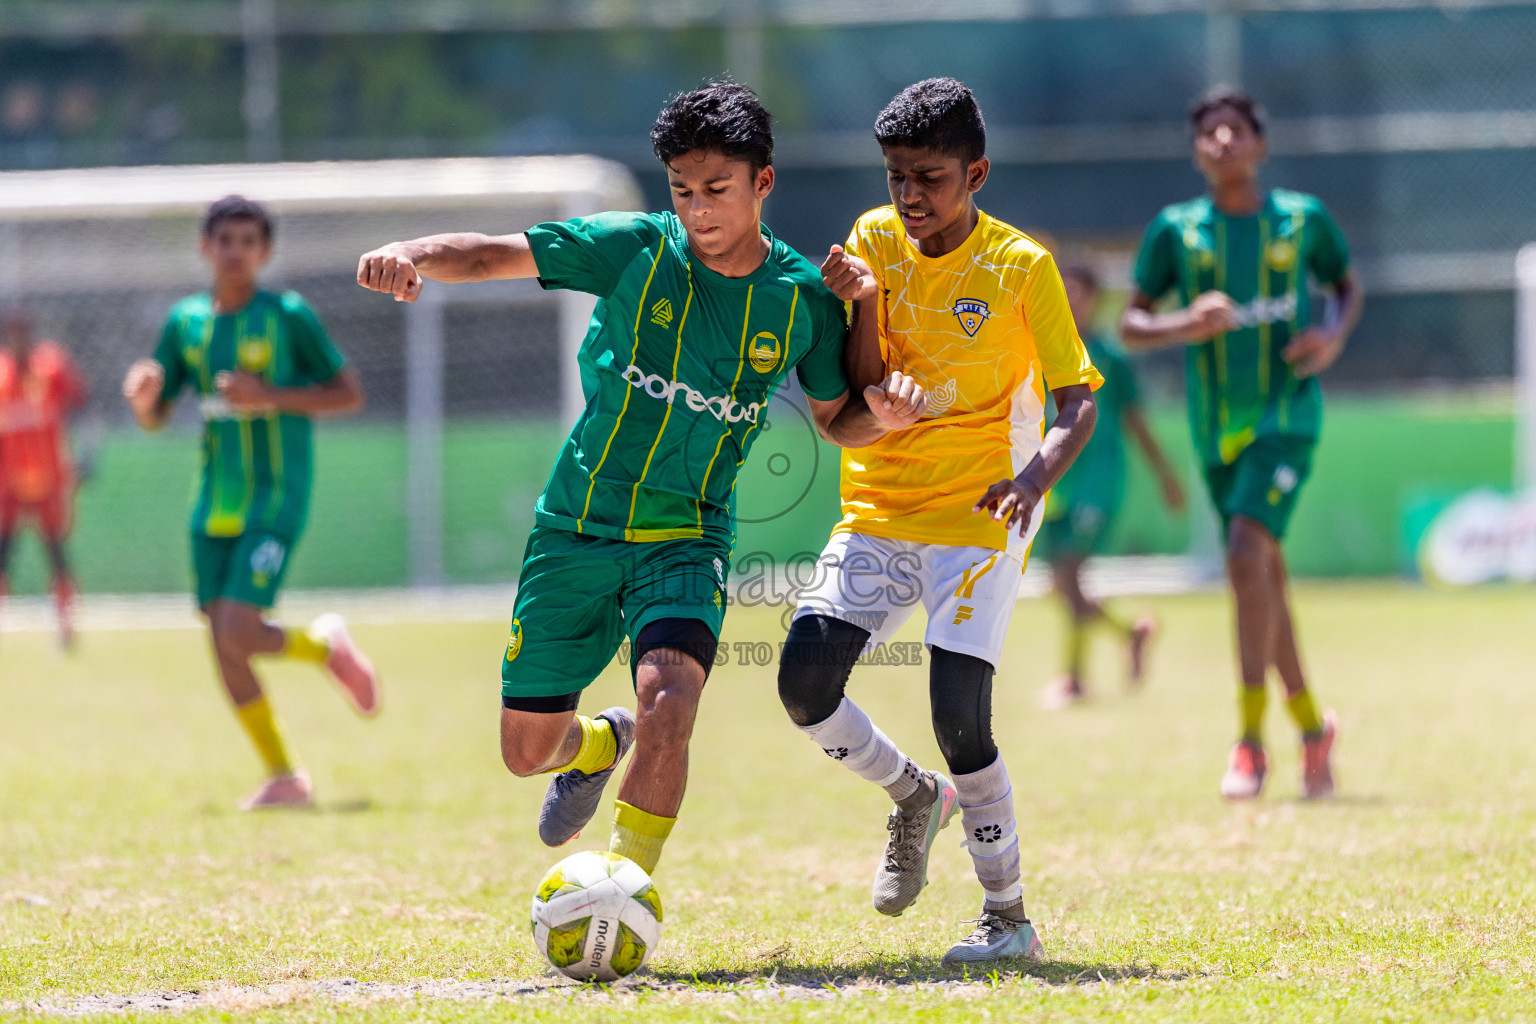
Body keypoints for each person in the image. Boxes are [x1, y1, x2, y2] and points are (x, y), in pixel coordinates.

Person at [356, 81, 924, 877]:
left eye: (717, 190)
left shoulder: (801, 299)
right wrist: (410, 254)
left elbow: (838, 419)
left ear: (763, 183)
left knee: (673, 702)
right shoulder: (634, 248)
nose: (698, 210)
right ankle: (598, 741)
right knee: (528, 753)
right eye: (683, 190)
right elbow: (491, 253)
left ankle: (627, 888)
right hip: (576, 525)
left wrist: (885, 421)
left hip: (687, 537)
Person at [777, 78, 1101, 965]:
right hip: (881, 501)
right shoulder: (872, 243)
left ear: (977, 173)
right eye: (895, 177)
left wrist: (1035, 478)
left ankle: (1008, 918)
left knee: (960, 711)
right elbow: (856, 380)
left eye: (930, 177)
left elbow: (1078, 404)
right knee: (804, 684)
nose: (909, 196)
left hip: (981, 507)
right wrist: (869, 306)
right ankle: (915, 795)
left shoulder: (1022, 267)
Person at [1119, 88, 1362, 801]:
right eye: (1209, 133)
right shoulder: (1177, 231)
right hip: (1215, 432)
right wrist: (1183, 324)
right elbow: (1132, 325)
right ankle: (1313, 728)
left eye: (1236, 130)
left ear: (1259, 144)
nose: (1222, 141)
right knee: (1263, 578)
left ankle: (1250, 742)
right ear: (1197, 152)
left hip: (1286, 419)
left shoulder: (1301, 219)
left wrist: (1332, 334)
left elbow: (1346, 286)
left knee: (1244, 557)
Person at [122, 195, 380, 811]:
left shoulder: (287, 315)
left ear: (263, 253)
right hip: (213, 504)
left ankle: (324, 649)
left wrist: (270, 396)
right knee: (224, 642)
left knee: (236, 629)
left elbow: (348, 395)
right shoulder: (185, 323)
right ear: (205, 247)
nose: (234, 251)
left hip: (276, 496)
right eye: (224, 240)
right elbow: (157, 416)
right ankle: (285, 775)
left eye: (247, 241)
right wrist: (144, 401)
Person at [1039, 263, 1185, 707]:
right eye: (1064, 291)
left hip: (1097, 481)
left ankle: (1075, 678)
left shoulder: (1111, 357)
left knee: (1069, 572)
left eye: (1079, 292)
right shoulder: (1040, 348)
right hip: (1052, 478)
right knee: (1062, 582)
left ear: (1095, 299)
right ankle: (1130, 634)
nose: (1071, 299)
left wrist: (1166, 476)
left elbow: (1135, 421)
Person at [0, 306, 87, 647]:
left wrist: (86, 455)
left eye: (24, 332)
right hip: (9, 484)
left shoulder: (51, 368)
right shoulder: (2, 376)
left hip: (50, 480)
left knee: (56, 552)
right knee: (4, 553)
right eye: (13, 333)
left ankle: (65, 624)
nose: (19, 340)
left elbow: (83, 406)